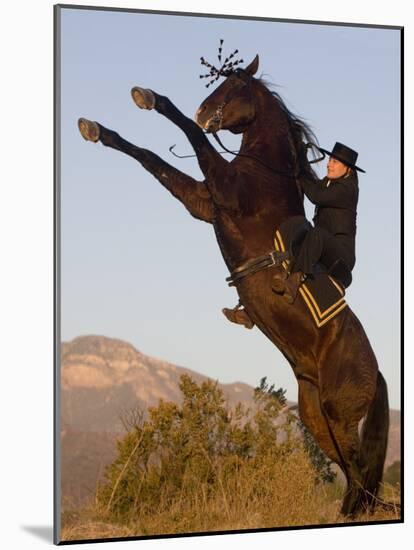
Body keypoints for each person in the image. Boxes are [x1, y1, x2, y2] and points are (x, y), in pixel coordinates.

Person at [223, 141, 364, 326]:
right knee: (285, 254)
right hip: (320, 246)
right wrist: (300, 160)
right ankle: (250, 312)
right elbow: (312, 185)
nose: (330, 164)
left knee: (316, 235)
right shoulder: (328, 183)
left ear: (348, 170)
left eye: (336, 162)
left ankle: (294, 279)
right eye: (330, 159)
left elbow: (315, 195)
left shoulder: (348, 189)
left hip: (341, 256)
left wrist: (299, 167)